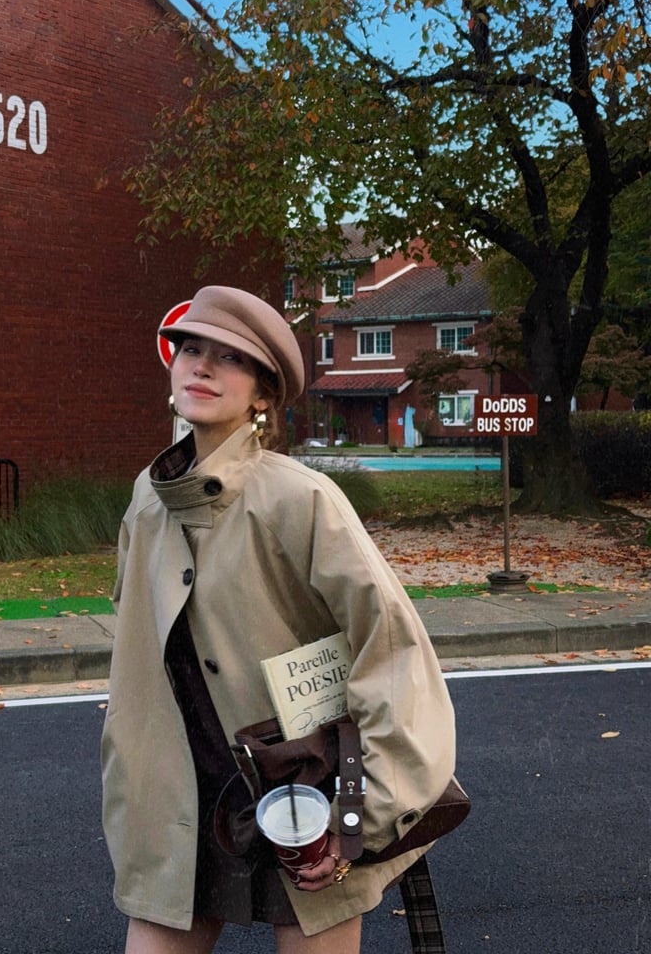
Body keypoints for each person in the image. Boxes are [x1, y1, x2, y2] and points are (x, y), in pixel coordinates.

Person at [100, 285, 456, 954]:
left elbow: (394, 649)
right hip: (181, 800)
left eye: (229, 358)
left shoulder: (300, 498)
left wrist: (361, 815)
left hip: (302, 796)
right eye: (191, 349)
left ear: (262, 394)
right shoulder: (148, 502)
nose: (201, 367)